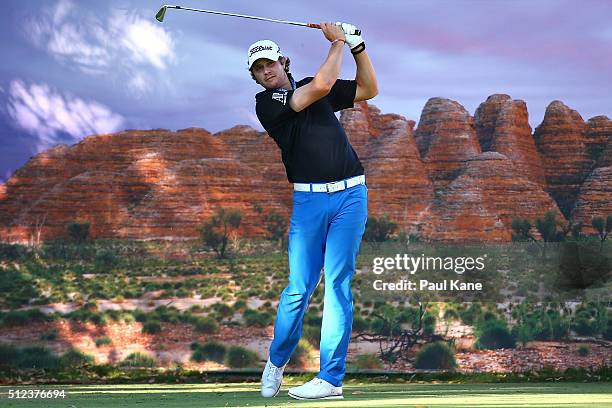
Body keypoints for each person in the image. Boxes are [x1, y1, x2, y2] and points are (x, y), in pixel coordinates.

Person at [248, 21, 377, 400]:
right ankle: (277, 361)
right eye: (259, 69)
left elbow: (369, 89)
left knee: (338, 285)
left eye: (270, 63)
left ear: (283, 61)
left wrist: (358, 46)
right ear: (255, 78)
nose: (267, 71)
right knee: (299, 289)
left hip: (351, 195)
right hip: (309, 201)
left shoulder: (310, 82)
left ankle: (330, 380)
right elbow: (320, 86)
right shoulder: (266, 104)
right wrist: (337, 39)